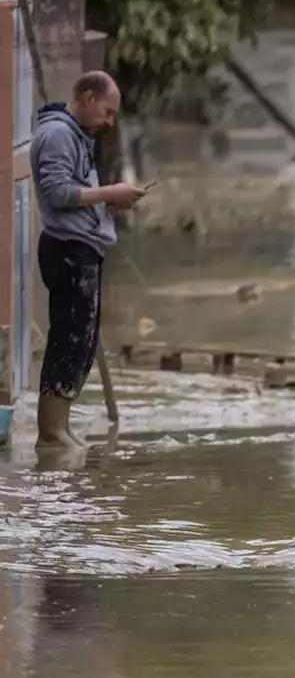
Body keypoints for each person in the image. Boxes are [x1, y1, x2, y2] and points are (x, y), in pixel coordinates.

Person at [31, 70, 148, 449]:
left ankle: (60, 426)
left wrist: (110, 203)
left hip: (83, 246)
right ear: (86, 95)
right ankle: (50, 432)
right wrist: (107, 192)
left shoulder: (77, 135)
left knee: (81, 341)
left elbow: (77, 195)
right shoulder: (58, 134)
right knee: (68, 339)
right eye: (107, 111)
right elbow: (57, 192)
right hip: (67, 250)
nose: (109, 121)